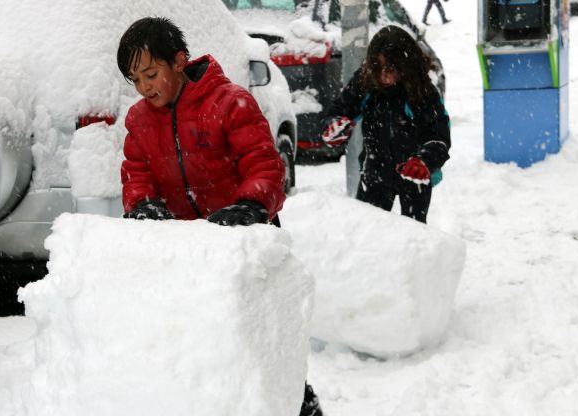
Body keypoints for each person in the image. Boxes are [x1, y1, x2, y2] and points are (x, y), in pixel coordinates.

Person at [116, 17, 323, 416]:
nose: (144, 87)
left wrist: (251, 205)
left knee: (260, 342)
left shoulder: (230, 102)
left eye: (150, 73)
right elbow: (136, 172)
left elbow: (264, 164)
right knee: (204, 344)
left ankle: (298, 404)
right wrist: (141, 204)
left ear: (179, 61)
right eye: (134, 79)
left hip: (245, 243)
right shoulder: (140, 120)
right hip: (190, 251)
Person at [321, 25, 450, 224]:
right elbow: (339, 110)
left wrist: (424, 161)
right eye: (377, 68)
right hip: (375, 172)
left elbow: (438, 137)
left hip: (414, 176)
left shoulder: (424, 91)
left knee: (414, 238)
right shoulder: (366, 81)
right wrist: (333, 126)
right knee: (367, 232)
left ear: (405, 65)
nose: (383, 76)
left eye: (390, 69)